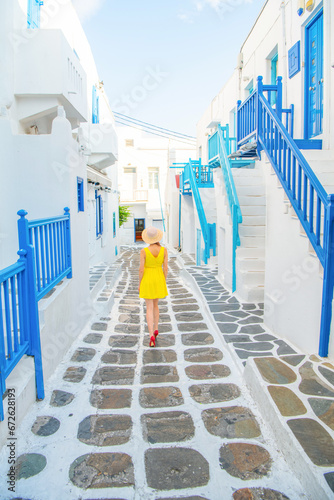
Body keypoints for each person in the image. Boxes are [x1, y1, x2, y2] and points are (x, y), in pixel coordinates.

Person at [138, 226, 168, 347]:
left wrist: (140, 283)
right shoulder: (164, 250)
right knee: (156, 305)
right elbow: (165, 268)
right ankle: (156, 328)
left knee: (149, 307)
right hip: (158, 277)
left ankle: (151, 335)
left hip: (148, 278)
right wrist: (163, 280)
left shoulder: (144, 251)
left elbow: (141, 269)